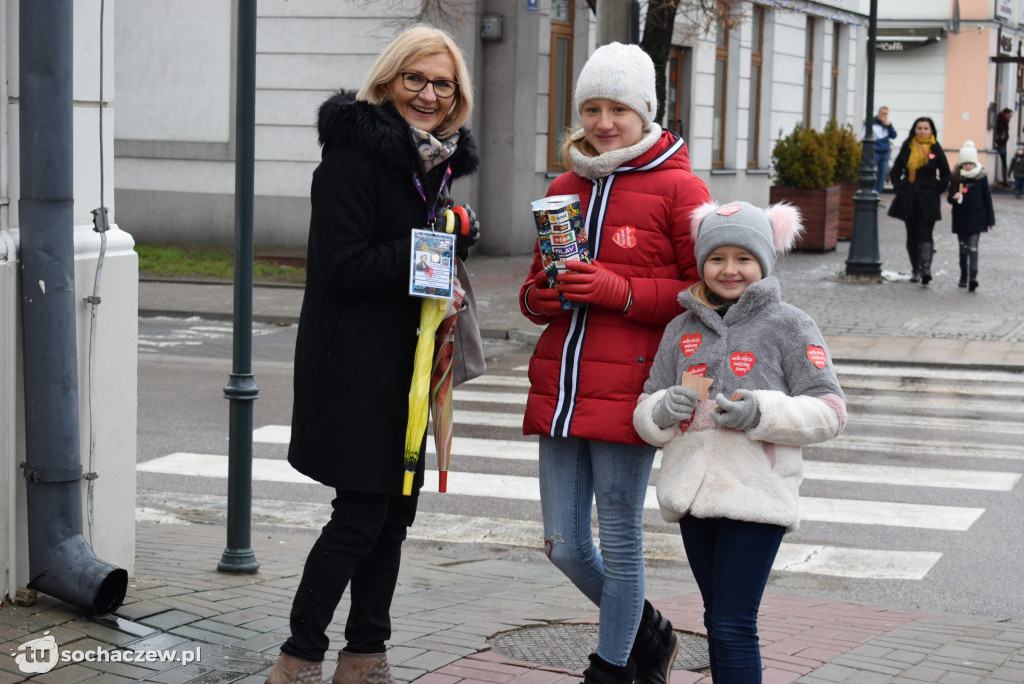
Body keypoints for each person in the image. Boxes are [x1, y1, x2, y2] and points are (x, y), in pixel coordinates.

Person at [266, 26, 480, 684]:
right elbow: (342, 267)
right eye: (416, 79)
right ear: (388, 81)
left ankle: (366, 655)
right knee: (359, 517)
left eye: (443, 83)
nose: (428, 94)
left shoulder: (432, 164)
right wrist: (434, 254)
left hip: (408, 371)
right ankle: (299, 656)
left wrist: (446, 260)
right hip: (354, 372)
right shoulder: (353, 158)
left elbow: (422, 259)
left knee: (393, 519)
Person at [519, 42, 711, 684]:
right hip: (564, 390)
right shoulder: (562, 186)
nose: (604, 122)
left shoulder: (680, 187)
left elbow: (703, 292)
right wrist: (542, 294)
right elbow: (533, 291)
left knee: (621, 540)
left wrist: (619, 291)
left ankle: (612, 668)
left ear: (647, 112)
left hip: (631, 390)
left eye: (618, 109)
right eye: (592, 108)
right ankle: (648, 634)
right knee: (564, 547)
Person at [633, 200, 847, 683]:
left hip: (756, 494)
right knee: (717, 620)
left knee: (731, 625)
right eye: (717, 258)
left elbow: (831, 411)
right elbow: (648, 407)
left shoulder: (791, 325)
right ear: (701, 261)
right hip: (693, 496)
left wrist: (762, 413)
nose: (729, 270)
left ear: (764, 260)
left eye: (743, 258)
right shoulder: (680, 327)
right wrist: (662, 410)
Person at [887, 116, 950, 285]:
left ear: (931, 131)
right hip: (909, 199)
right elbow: (895, 171)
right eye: (919, 128)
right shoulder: (907, 148)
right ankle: (915, 268)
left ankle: (926, 270)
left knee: (925, 234)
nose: (922, 131)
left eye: (926, 128)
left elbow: (945, 173)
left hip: (928, 200)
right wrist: (900, 186)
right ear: (914, 129)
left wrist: (936, 188)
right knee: (912, 236)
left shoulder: (936, 149)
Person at [948, 141, 995, 292]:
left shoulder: (981, 178)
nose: (967, 167)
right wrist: (954, 197)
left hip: (977, 218)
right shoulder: (957, 178)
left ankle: (973, 278)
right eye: (965, 164)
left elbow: (987, 199)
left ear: (975, 163)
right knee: (963, 248)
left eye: (970, 164)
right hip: (961, 218)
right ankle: (963, 275)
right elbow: (949, 198)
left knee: (973, 248)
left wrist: (990, 219)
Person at [868, 106, 897, 198]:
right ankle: (869, 195)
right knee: (872, 174)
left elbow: (894, 135)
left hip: (885, 153)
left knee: (882, 176)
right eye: (883, 113)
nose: (884, 116)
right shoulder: (872, 123)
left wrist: (889, 126)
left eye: (886, 114)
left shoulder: (887, 125)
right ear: (879, 113)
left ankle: (877, 197)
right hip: (875, 152)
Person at [994, 107, 1013, 186]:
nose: (1010, 117)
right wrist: (995, 141)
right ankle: (1004, 181)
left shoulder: (1004, 120)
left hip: (1002, 143)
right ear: (1006, 114)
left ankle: (1005, 180)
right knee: (1003, 161)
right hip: (999, 143)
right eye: (1010, 115)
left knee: (1004, 161)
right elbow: (998, 131)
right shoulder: (1000, 120)